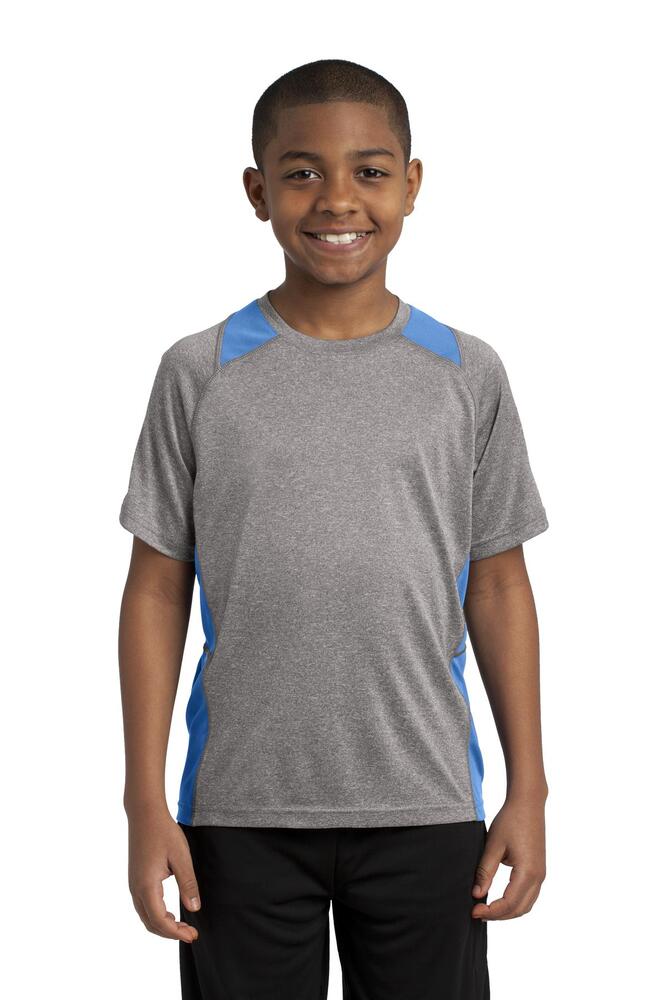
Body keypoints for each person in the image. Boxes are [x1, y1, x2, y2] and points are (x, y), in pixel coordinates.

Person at [118, 58, 550, 1000]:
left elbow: (498, 582)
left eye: (369, 170)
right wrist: (143, 799)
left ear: (411, 185)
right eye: (302, 172)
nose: (337, 199)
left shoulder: (465, 373)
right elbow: (155, 586)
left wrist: (530, 787)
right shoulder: (200, 372)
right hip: (237, 807)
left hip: (426, 801)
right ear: (257, 192)